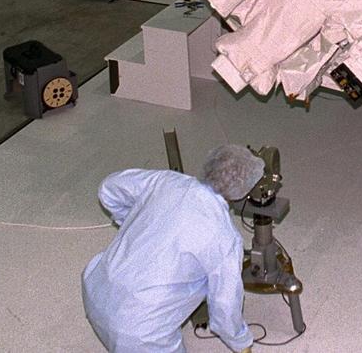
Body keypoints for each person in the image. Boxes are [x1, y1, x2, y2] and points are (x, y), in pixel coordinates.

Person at [81, 145, 265, 353]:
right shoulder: (225, 237)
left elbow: (109, 188)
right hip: (137, 333)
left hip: (95, 291)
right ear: (242, 190)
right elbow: (224, 308)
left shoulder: (166, 180)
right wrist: (243, 344)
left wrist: (132, 224)